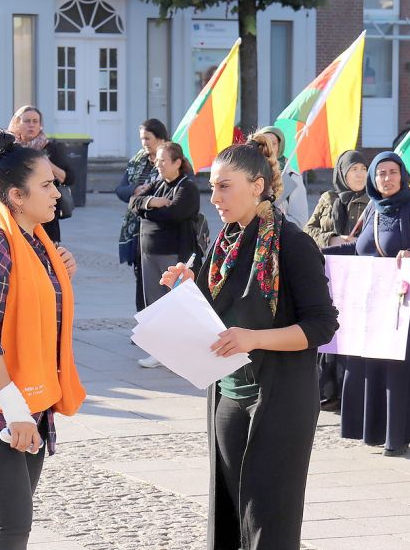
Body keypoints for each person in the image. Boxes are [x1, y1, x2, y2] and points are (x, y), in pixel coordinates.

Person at [160, 134, 339, 550]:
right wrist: (186, 289)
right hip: (229, 394)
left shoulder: (293, 243)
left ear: (257, 186)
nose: (215, 197)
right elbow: (213, 312)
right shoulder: (223, 242)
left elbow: (322, 326)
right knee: (231, 512)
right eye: (212, 188)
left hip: (278, 398)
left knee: (268, 518)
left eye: (225, 186)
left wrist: (252, 339)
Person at [0, 129, 86, 550]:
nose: (56, 193)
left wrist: (60, 276)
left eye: (54, 183)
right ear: (17, 196)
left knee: (12, 524)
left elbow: (38, 314)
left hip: (31, 400)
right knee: (10, 526)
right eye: (45, 185)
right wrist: (15, 410)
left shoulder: (40, 246)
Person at [323, 152, 410, 455]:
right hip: (371, 301)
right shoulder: (375, 208)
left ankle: (398, 436)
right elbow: (360, 247)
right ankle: (373, 432)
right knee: (368, 365)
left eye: (392, 172)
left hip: (402, 302)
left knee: (396, 370)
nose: (386, 179)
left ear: (402, 175)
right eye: (381, 173)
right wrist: (323, 253)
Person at [304, 150, 370, 410]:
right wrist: (331, 238)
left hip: (358, 274)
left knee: (352, 333)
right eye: (354, 170)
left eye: (364, 170)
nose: (359, 175)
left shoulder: (372, 201)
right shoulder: (328, 198)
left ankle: (349, 391)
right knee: (328, 329)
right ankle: (327, 389)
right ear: (342, 172)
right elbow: (309, 230)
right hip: (328, 272)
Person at [129, 142, 200, 368]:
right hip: (149, 253)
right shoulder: (157, 184)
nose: (157, 164)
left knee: (176, 305)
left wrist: (147, 211)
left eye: (163, 161)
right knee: (156, 305)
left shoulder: (186, 187)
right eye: (156, 160)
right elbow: (133, 202)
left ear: (177, 163)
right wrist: (152, 202)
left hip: (173, 255)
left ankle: (182, 352)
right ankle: (160, 352)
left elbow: (175, 214)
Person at [117, 119, 168, 313]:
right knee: (141, 278)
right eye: (142, 139)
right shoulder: (137, 160)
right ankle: (143, 321)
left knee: (160, 281)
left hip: (160, 231)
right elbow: (120, 189)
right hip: (136, 229)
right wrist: (135, 190)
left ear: (160, 138)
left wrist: (145, 199)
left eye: (148, 138)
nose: (144, 143)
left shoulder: (170, 161)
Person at [8, 106, 73, 243]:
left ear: (40, 125)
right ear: (17, 123)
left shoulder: (49, 147)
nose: (31, 125)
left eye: (35, 121)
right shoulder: (11, 148)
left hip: (46, 219)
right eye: (27, 121)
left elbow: (70, 178)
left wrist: (48, 164)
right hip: (18, 214)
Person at [255, 126, 308, 228]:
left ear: (279, 147)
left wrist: (269, 217)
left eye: (273, 144)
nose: (268, 147)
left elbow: (300, 222)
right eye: (264, 143)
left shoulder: (291, 177)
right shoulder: (248, 173)